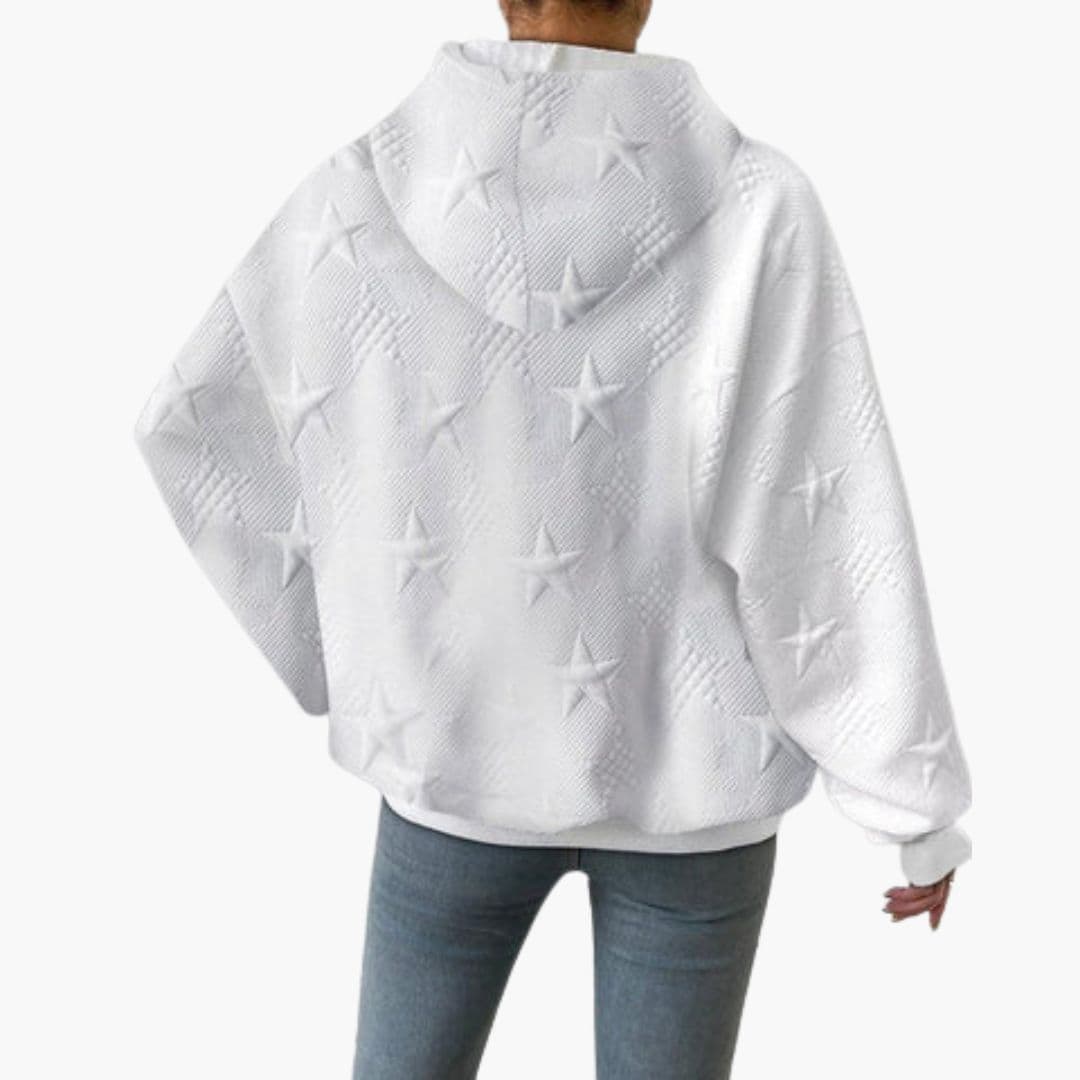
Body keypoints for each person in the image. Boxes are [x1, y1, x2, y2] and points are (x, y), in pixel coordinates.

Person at [132, 1, 973, 1076]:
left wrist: (346, 648)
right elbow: (821, 514)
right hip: (694, 801)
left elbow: (193, 425)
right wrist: (911, 805)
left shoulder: (355, 195)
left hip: (453, 776)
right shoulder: (761, 207)